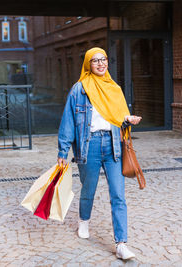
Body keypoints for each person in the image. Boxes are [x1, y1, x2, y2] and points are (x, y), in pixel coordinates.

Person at [57, 47, 142, 260]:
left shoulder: (114, 88)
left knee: (118, 195)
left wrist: (127, 120)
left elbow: (118, 117)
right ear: (88, 64)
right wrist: (63, 150)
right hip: (89, 146)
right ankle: (83, 221)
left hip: (113, 145)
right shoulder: (79, 90)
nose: (100, 64)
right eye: (95, 61)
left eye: (103, 59)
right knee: (88, 189)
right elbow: (68, 121)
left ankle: (121, 243)